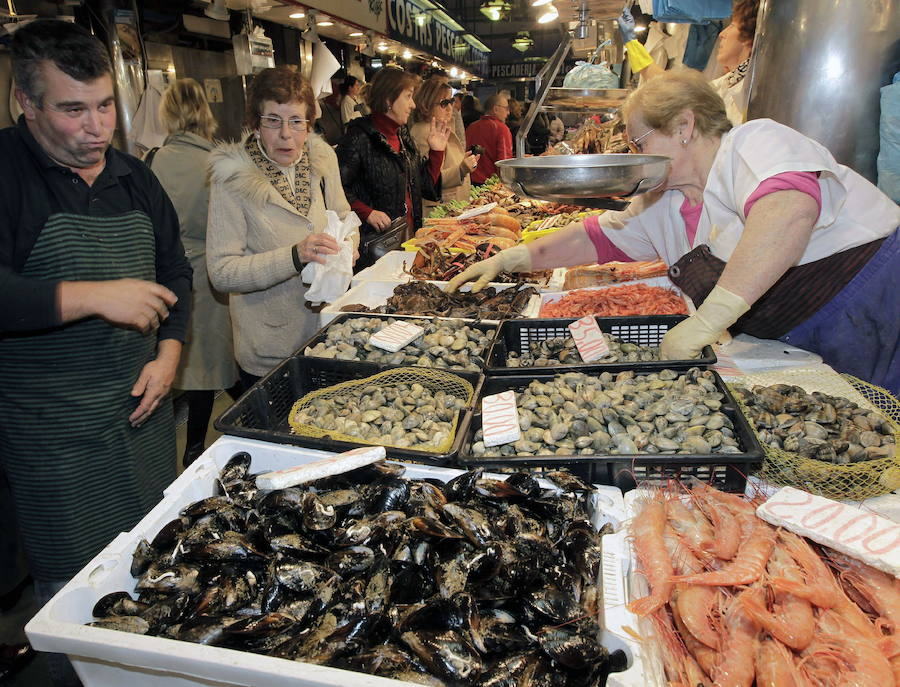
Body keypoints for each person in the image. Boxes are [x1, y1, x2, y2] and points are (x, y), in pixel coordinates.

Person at [449, 70, 900, 393]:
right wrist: (511, 258)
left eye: (638, 143)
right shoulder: (663, 200)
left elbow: (788, 210)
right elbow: (591, 238)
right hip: (788, 335)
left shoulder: (754, 142)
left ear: (684, 126)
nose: (633, 155)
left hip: (868, 303)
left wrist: (709, 319)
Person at [0, 19, 192, 685]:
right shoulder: (5, 175)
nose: (96, 126)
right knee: (74, 601)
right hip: (53, 440)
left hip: (139, 427)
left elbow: (178, 277)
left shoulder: (137, 179)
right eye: (72, 109)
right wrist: (88, 296)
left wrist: (169, 353)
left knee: (148, 571)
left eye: (105, 105)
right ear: (26, 103)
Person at [207, 67, 357, 389]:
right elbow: (221, 272)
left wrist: (350, 243)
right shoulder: (231, 180)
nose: (287, 134)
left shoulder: (322, 158)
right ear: (255, 124)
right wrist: (294, 255)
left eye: (296, 121)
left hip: (328, 333)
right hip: (270, 348)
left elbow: (343, 214)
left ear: (309, 123)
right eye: (273, 121)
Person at [148, 78, 239, 467]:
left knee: (194, 365)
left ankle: (193, 448)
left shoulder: (152, 161)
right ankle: (267, 419)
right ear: (205, 112)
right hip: (216, 275)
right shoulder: (222, 161)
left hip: (169, 276)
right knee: (221, 365)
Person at [336, 66, 449, 269]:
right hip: (374, 249)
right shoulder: (358, 137)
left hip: (408, 241)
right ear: (388, 100)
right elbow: (335, 188)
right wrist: (367, 212)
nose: (413, 105)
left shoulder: (402, 135)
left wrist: (436, 152)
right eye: (408, 97)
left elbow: (424, 185)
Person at [619, 0, 759, 124]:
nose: (722, 34)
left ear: (750, 36)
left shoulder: (753, 90)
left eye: (733, 25)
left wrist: (632, 44)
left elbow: (677, 91)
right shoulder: (729, 83)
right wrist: (632, 45)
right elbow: (673, 87)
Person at [409, 79, 479, 204]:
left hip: (452, 204)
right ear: (427, 104)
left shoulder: (442, 127)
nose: (449, 108)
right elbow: (428, 180)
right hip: (439, 208)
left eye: (451, 101)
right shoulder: (423, 132)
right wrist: (462, 169)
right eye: (444, 103)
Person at [466, 92, 512, 184]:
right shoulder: (502, 129)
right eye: (506, 108)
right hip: (491, 183)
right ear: (495, 109)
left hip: (469, 181)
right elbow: (504, 162)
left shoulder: (471, 127)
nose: (508, 113)